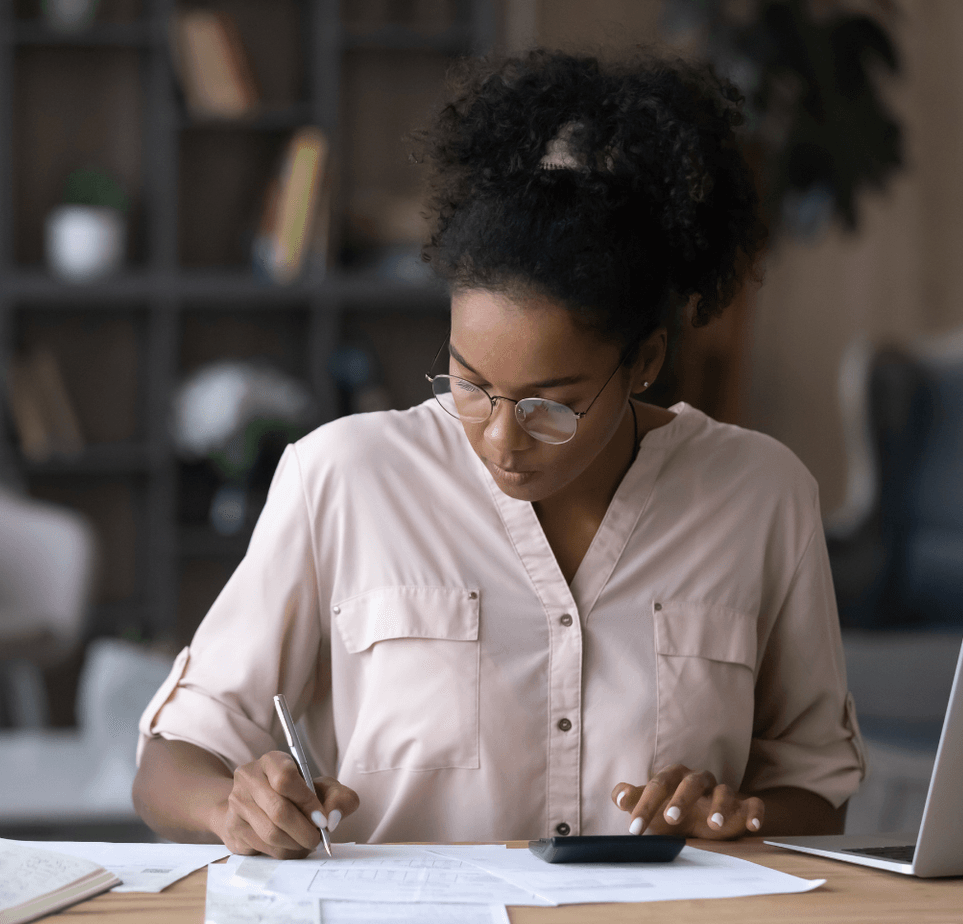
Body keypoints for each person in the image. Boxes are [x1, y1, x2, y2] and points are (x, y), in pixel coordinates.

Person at [133, 50, 865, 859]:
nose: (501, 439)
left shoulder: (762, 497)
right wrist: (233, 805)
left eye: (551, 403)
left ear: (646, 361)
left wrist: (733, 817)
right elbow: (170, 760)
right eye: (471, 383)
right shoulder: (341, 477)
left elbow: (817, 791)